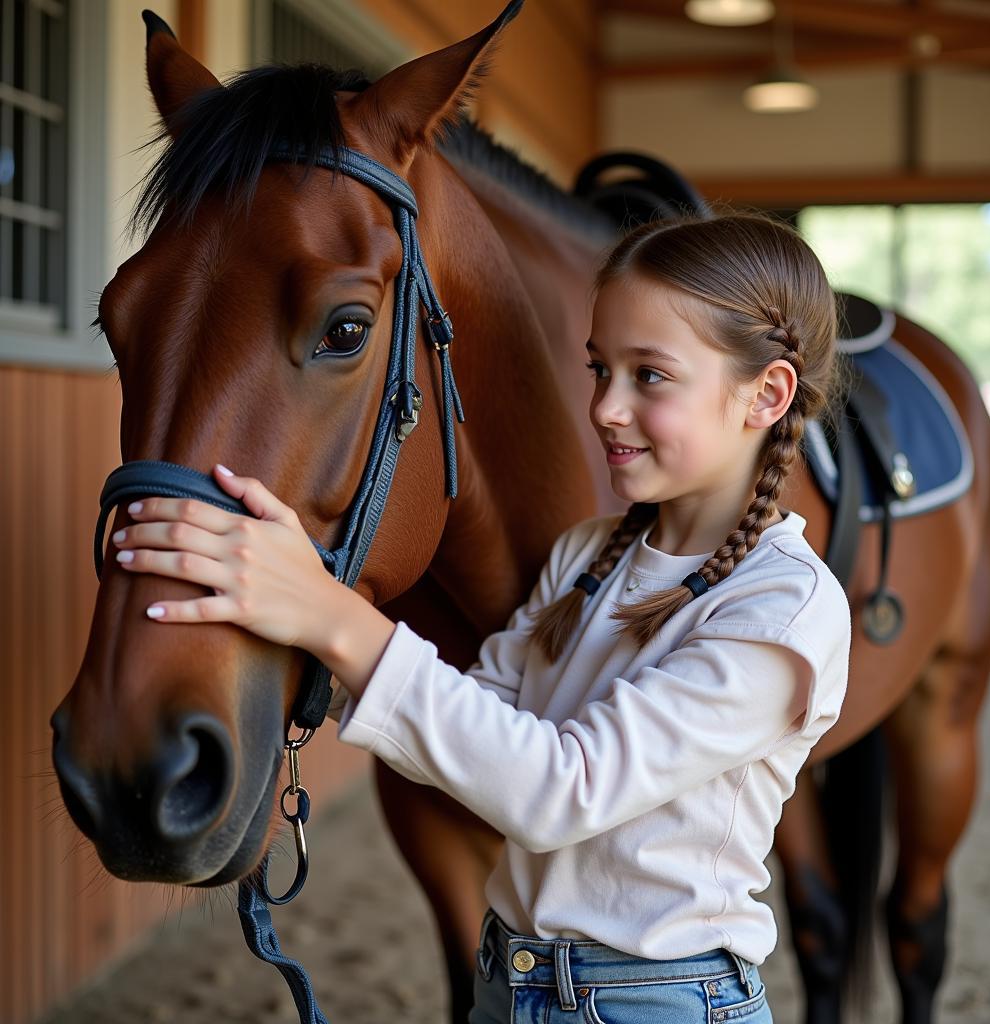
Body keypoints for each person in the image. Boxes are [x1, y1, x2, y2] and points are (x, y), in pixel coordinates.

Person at [112, 211, 852, 1024]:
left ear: (767, 395)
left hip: (662, 1002)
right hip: (510, 979)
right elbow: (480, 733)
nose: (605, 406)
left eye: (650, 376)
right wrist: (297, 612)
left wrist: (335, 620)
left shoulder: (782, 610)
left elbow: (560, 791)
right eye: (600, 368)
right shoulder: (587, 554)